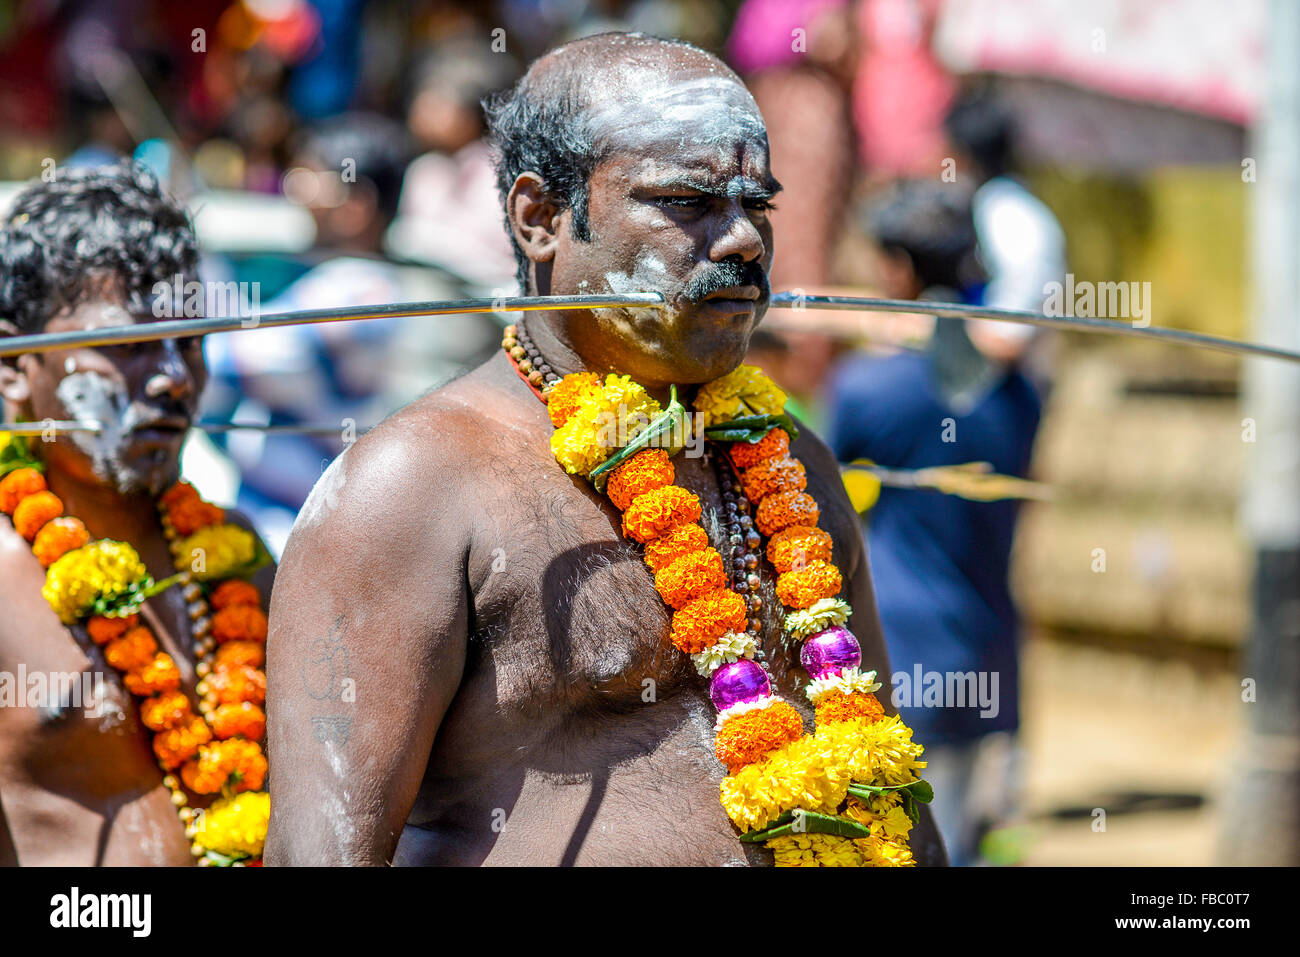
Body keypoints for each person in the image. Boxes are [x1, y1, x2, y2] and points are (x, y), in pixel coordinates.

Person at [265, 32, 946, 866]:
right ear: (540, 218)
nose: (743, 243)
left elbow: (891, 782)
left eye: (755, 204)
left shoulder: (794, 461)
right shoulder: (413, 485)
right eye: (688, 203)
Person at [0, 162, 274, 865]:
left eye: (191, 342)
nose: (173, 377)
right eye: (127, 346)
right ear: (12, 366)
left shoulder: (235, 553)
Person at [827, 180, 1041, 865]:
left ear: (899, 270)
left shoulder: (867, 388)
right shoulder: (1021, 394)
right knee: (961, 840)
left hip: (901, 649)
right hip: (987, 645)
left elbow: (825, 503)